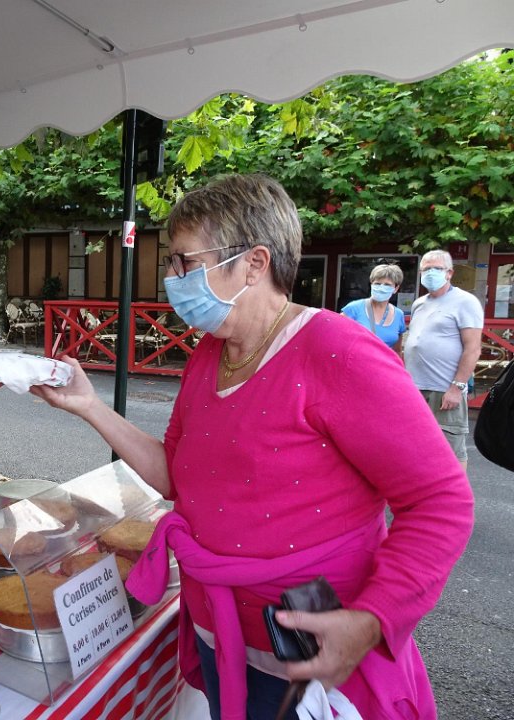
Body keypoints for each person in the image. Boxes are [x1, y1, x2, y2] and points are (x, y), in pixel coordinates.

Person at [31, 174, 473, 719]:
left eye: (185, 262)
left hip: (311, 659)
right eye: (171, 263)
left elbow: (441, 501)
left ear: (254, 263)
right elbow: (175, 475)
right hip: (220, 635)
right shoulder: (208, 354)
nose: (171, 278)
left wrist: (372, 618)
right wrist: (89, 405)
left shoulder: (337, 350)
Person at [403, 249, 484, 471]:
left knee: (451, 450)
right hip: (416, 388)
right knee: (418, 445)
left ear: (449, 273)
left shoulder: (465, 302)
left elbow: (473, 348)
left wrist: (457, 388)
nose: (430, 273)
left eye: (437, 268)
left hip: (444, 388)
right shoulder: (419, 303)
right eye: (426, 269)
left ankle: (456, 493)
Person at [340, 264, 407, 353]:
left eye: (387, 285)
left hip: (384, 362)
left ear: (396, 288)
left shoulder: (398, 314)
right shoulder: (353, 309)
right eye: (377, 283)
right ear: (371, 284)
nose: (381, 288)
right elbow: (337, 338)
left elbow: (397, 351)